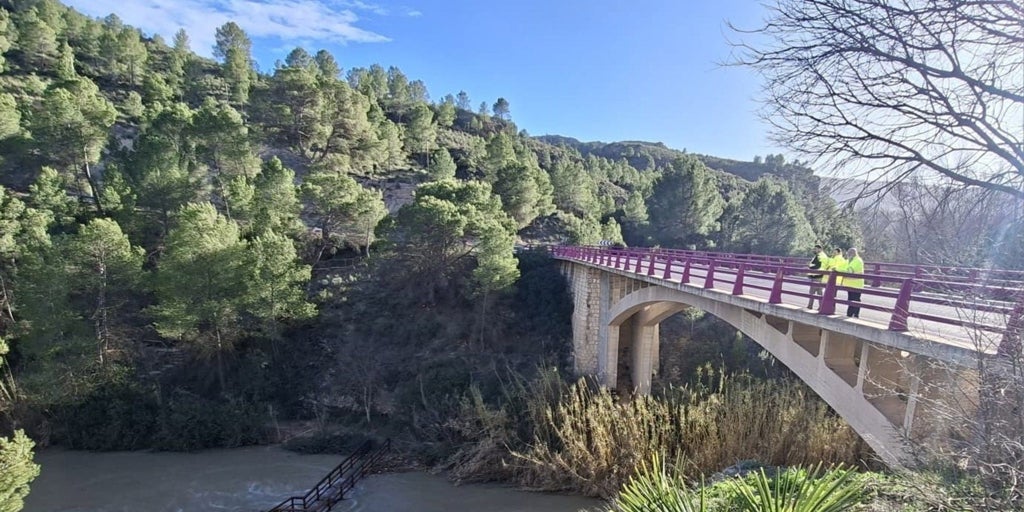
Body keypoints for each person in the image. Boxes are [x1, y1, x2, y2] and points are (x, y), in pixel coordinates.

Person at [844, 247, 865, 318]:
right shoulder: (850, 260)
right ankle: (850, 314)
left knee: (855, 299)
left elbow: (850, 270)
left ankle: (855, 314)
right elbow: (844, 267)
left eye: (849, 253)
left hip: (856, 284)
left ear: (853, 253)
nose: (848, 255)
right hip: (850, 284)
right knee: (850, 299)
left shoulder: (857, 260)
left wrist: (842, 271)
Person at [807, 244, 828, 309]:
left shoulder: (819, 256)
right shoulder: (824, 256)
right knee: (819, 292)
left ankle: (810, 306)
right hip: (821, 276)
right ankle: (821, 306)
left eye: (815, 249)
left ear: (820, 249)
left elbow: (817, 265)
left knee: (812, 291)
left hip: (816, 275)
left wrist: (809, 266)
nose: (814, 250)